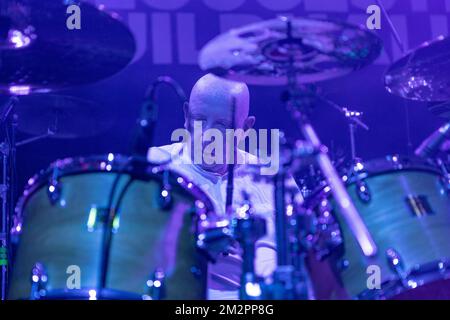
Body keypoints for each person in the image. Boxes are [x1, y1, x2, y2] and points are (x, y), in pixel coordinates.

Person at [148, 73, 277, 300]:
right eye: (199, 120)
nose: (208, 135)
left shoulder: (272, 177)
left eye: (222, 125)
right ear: (186, 116)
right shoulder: (155, 167)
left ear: (245, 128)